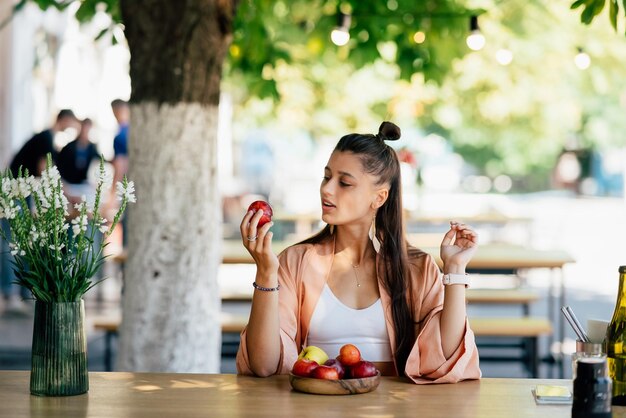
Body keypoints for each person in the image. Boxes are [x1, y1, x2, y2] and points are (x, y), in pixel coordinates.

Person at [235, 121, 481, 384]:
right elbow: (263, 365)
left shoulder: (416, 268)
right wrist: (265, 273)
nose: (327, 189)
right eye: (327, 177)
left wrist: (455, 270)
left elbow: (446, 359)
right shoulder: (295, 261)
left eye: (344, 182)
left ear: (379, 197)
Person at [9, 109, 78, 177]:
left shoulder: (49, 136)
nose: (71, 125)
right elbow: (43, 169)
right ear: (65, 119)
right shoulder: (46, 138)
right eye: (71, 122)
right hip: (18, 181)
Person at [57, 118, 100, 185]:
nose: (85, 131)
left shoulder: (92, 147)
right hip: (68, 183)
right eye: (84, 128)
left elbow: (100, 158)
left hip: (82, 183)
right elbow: (60, 165)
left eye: (88, 129)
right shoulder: (69, 147)